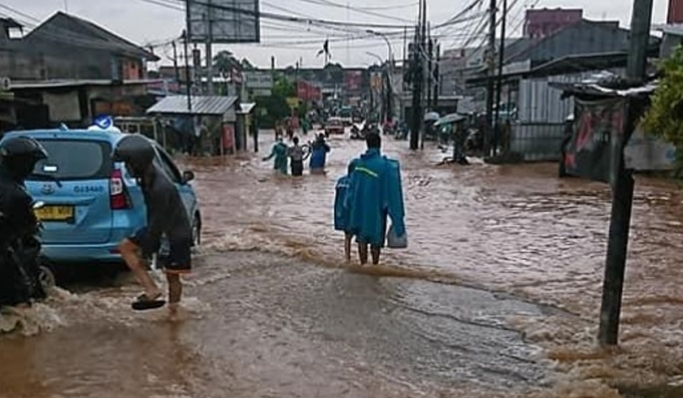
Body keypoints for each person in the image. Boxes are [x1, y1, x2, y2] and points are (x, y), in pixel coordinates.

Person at [114, 135, 193, 314]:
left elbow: (157, 224)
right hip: (160, 228)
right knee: (125, 247)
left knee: (172, 277)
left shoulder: (160, 187)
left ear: (138, 164)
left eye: (128, 164)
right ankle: (151, 289)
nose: (126, 168)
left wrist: (146, 252)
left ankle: (174, 314)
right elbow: (154, 220)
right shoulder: (147, 178)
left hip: (175, 234)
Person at [0, 136, 49, 307]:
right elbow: (28, 228)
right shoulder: (17, 195)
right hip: (5, 253)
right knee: (21, 300)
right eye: (31, 164)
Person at [346, 133, 406, 265]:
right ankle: (374, 268)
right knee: (376, 242)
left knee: (361, 240)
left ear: (367, 144)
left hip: (359, 210)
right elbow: (392, 194)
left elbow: (351, 189)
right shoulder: (385, 166)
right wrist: (397, 220)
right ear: (380, 144)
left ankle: (363, 267)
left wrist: (348, 206)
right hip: (377, 211)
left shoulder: (359, 164)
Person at [334, 161, 357, 262]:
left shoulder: (340, 181)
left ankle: (347, 258)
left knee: (347, 237)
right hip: (352, 211)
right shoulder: (356, 182)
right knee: (361, 236)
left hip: (341, 211)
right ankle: (363, 261)